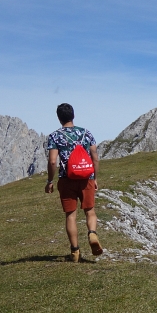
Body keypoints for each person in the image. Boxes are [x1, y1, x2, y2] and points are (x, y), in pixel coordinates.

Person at [45, 103, 103, 262]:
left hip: (66, 179)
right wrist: (95, 178)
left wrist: (50, 180)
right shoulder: (86, 133)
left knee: (70, 215)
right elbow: (95, 157)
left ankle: (75, 252)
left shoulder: (55, 136)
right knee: (90, 211)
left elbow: (52, 162)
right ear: (73, 115)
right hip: (86, 178)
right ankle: (92, 233)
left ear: (59, 118)